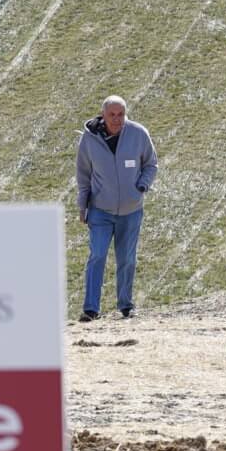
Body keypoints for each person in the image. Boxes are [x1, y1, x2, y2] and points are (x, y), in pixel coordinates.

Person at [74, 95, 158, 321]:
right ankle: (91, 309)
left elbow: (151, 164)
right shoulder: (89, 140)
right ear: (103, 115)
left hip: (131, 211)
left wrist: (142, 185)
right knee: (97, 255)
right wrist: (82, 207)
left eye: (121, 114)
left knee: (127, 259)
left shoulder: (138, 134)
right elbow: (83, 176)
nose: (117, 119)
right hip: (100, 210)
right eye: (112, 115)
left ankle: (126, 305)